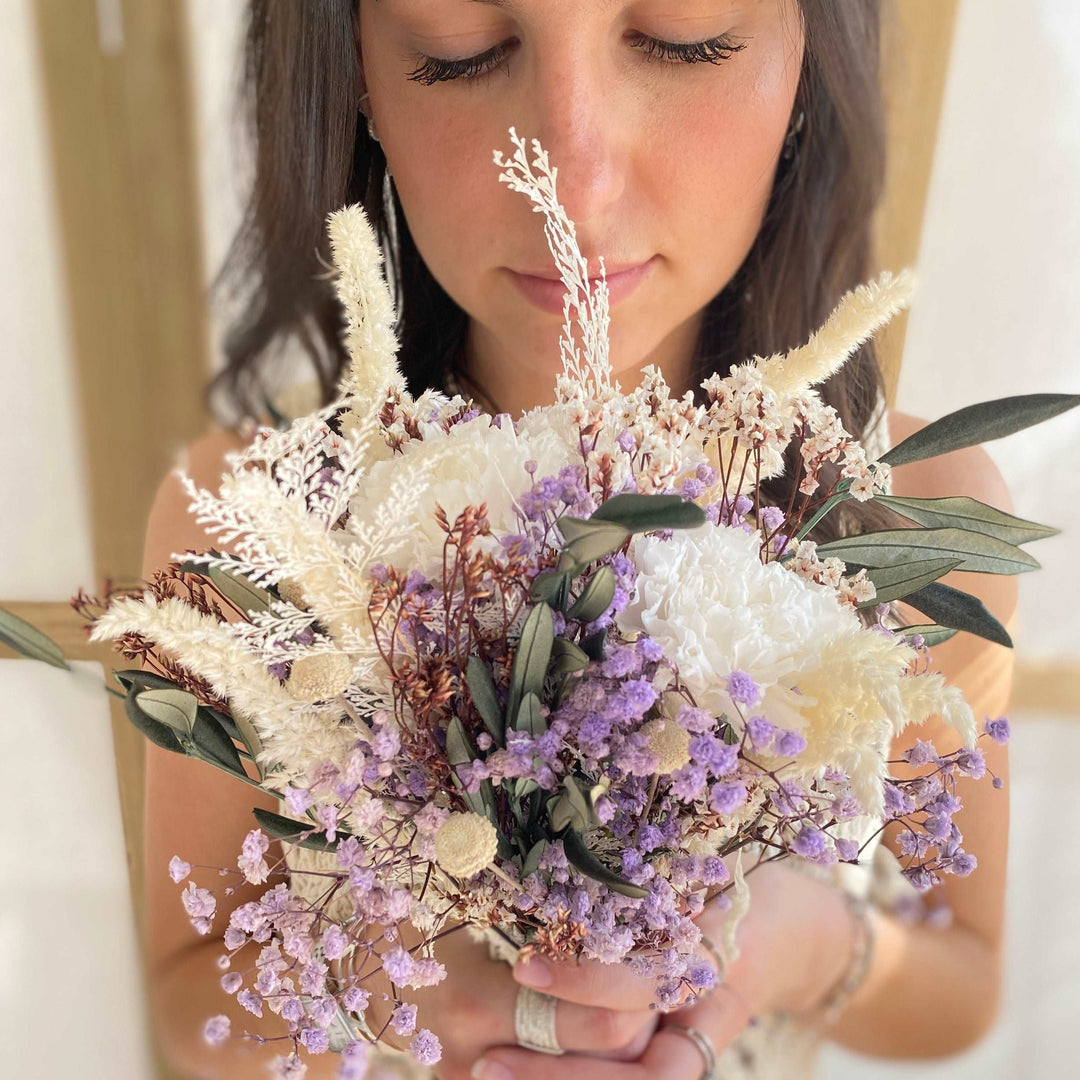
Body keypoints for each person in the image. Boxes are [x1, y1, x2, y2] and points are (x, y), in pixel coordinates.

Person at [140, 2, 1016, 1077]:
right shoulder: (256, 524)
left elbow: (961, 986)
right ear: (357, 74)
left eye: (687, 40)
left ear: (809, 59)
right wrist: (392, 993)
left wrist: (795, 947)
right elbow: (186, 992)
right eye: (460, 56)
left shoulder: (914, 516)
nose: (572, 183)